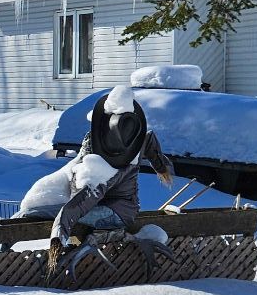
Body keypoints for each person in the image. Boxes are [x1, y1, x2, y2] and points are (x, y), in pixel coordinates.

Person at [50, 84, 173, 251]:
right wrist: (161, 167)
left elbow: (86, 198)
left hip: (115, 214)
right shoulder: (137, 138)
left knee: (53, 213)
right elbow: (149, 139)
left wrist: (59, 233)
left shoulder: (105, 170)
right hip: (127, 208)